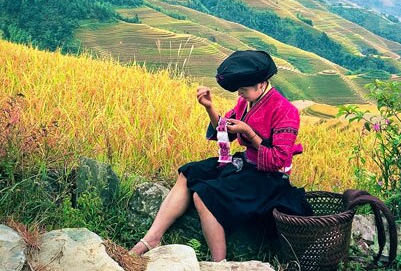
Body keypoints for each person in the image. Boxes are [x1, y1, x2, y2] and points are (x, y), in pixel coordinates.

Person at [130, 50, 313, 261]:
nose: (239, 95)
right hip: (246, 164)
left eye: (243, 90)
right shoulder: (246, 102)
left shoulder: (285, 111)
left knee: (204, 195)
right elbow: (224, 130)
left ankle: (220, 262)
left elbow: (277, 160)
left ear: (261, 84)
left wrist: (249, 133)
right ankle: (152, 238)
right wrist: (209, 108)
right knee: (189, 172)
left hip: (267, 178)